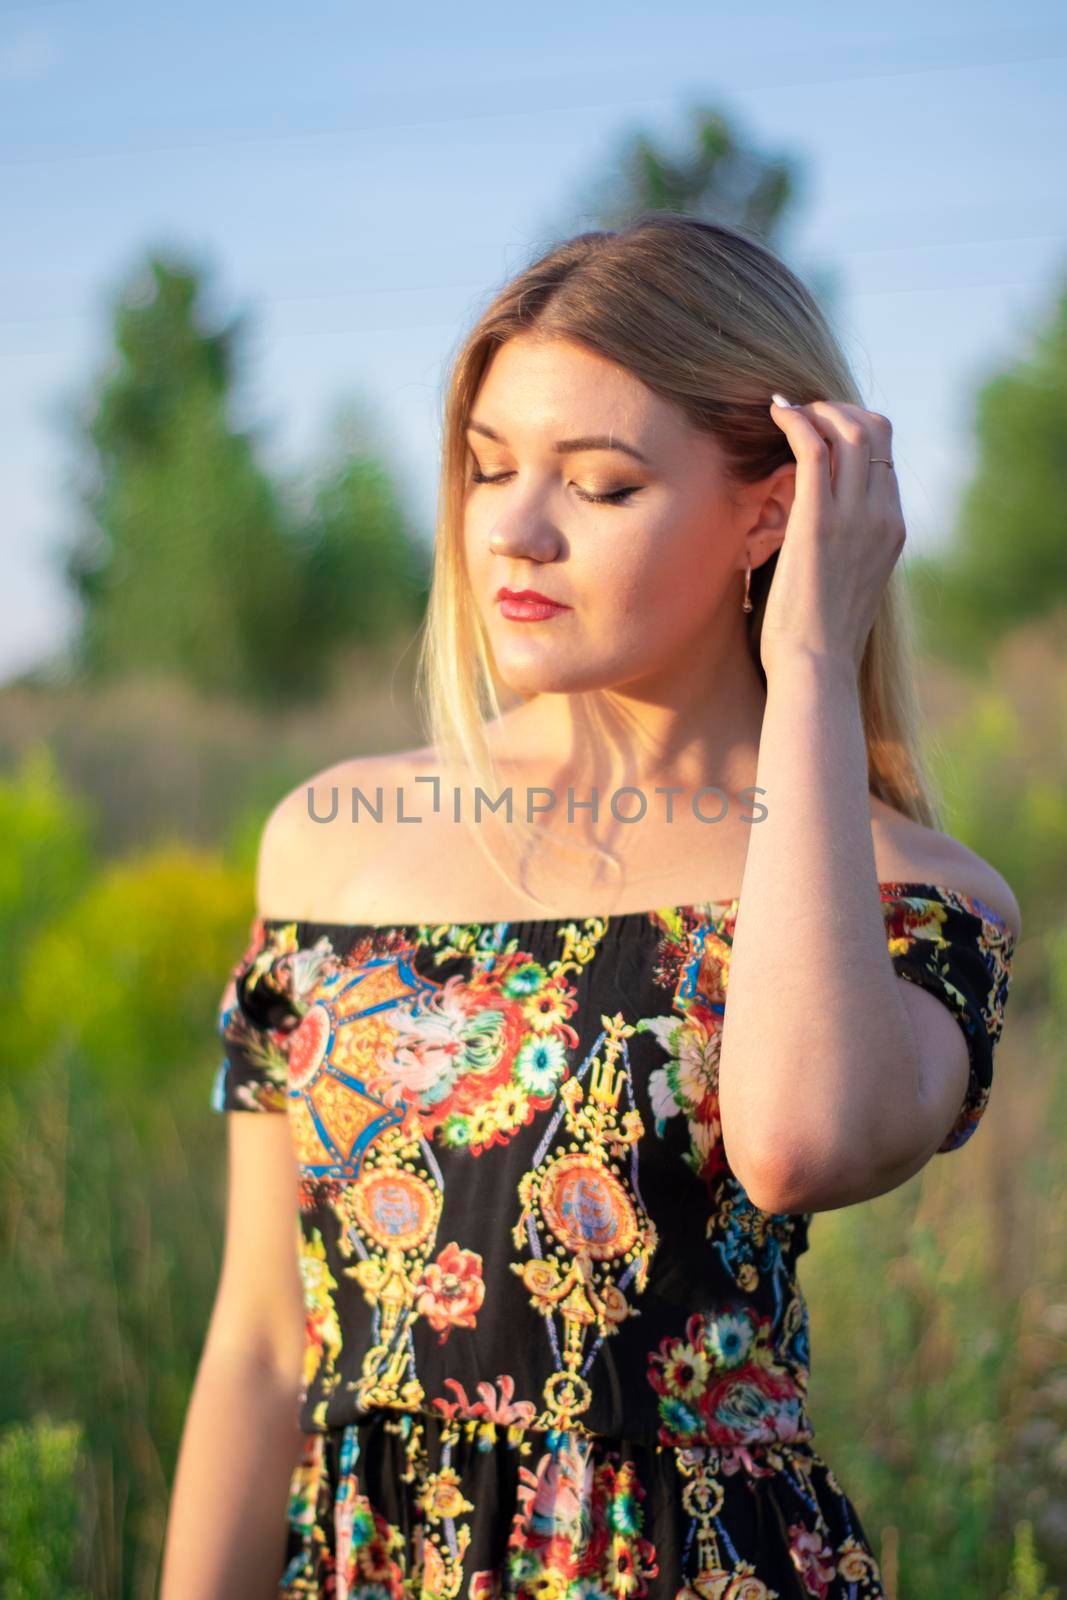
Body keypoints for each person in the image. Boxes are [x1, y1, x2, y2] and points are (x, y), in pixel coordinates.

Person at [161, 213, 1021, 1600]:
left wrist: (810, 658)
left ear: (771, 511)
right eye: (489, 467)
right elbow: (263, 1343)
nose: (518, 526)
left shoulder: (909, 895)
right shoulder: (329, 844)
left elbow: (802, 1146)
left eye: (604, 485)